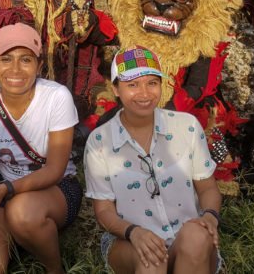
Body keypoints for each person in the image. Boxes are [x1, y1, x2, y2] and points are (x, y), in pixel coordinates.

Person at [84, 46, 222, 274]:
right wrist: (133, 232)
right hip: (129, 239)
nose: (144, 93)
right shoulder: (100, 141)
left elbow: (207, 187)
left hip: (186, 236)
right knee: (152, 260)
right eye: (132, 85)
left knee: (196, 235)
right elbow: (104, 211)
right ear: (115, 89)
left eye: (152, 83)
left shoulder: (186, 127)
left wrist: (210, 216)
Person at [0, 23, 81, 274]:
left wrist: (7, 189)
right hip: (3, 187)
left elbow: (55, 169)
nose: (15, 69)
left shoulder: (56, 98)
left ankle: (53, 268)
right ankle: (15, 234)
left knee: (22, 213)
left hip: (55, 188)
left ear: (39, 65)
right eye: (6, 59)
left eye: (25, 59)